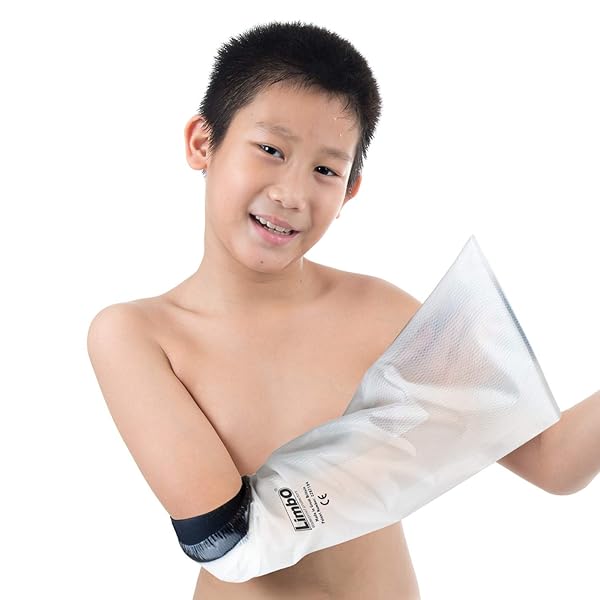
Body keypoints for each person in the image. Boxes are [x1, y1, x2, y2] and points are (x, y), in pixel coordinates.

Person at [87, 20, 599, 600]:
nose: (292, 193)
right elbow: (229, 540)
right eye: (271, 150)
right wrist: (415, 438)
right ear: (202, 143)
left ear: (350, 190)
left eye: (325, 170)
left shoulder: (380, 312)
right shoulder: (138, 335)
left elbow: (554, 462)